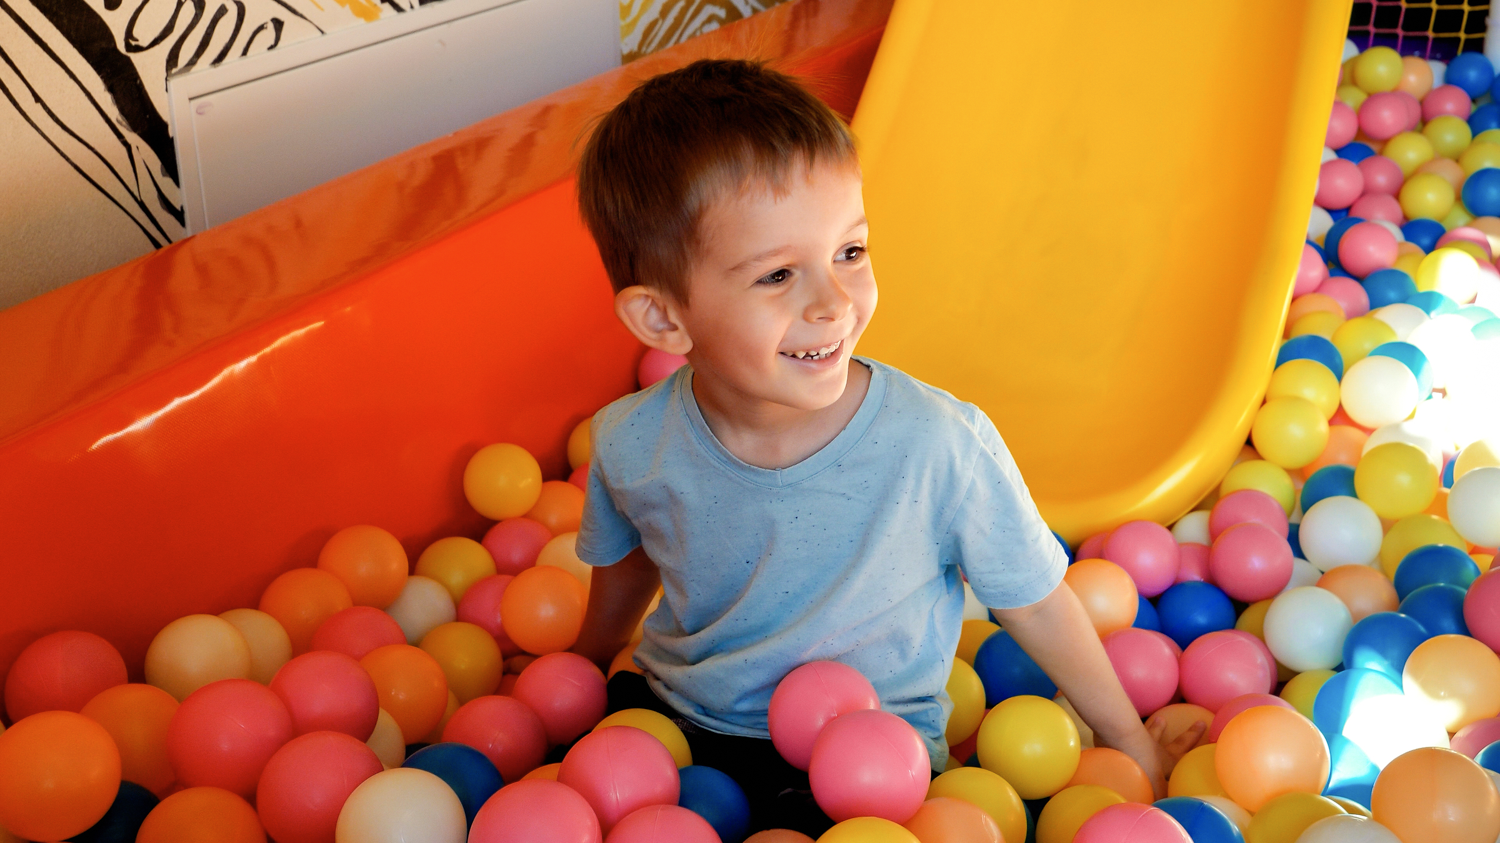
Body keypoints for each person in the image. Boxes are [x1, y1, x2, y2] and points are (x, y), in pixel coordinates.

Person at [568, 58, 1200, 835]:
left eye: (851, 252)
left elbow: (1032, 599)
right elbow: (628, 559)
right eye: (777, 276)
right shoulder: (632, 440)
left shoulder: (938, 443)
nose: (833, 302)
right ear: (665, 321)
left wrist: (1128, 739)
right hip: (676, 720)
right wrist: (583, 666)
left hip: (865, 758)